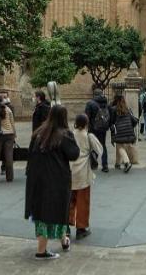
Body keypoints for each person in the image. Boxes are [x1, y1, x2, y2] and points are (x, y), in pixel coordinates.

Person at [24, 103, 80, 261]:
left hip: (37, 178)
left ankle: (63, 239)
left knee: (44, 211)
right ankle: (41, 251)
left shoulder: (39, 133)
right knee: (55, 210)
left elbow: (30, 154)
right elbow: (74, 154)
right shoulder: (64, 134)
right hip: (56, 179)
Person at [68, 112, 102, 244]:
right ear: (87, 123)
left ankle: (66, 225)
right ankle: (81, 228)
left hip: (69, 172)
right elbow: (100, 150)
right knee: (83, 202)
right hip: (83, 173)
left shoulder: (69, 134)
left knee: (69, 201)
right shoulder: (88, 136)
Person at [109, 95, 139, 173]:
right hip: (128, 130)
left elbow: (111, 122)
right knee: (120, 146)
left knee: (120, 147)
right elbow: (134, 121)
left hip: (119, 131)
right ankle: (117, 163)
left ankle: (126, 162)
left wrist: (112, 133)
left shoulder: (113, 109)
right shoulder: (127, 109)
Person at [84, 90, 111, 173]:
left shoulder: (90, 103)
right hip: (103, 127)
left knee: (92, 145)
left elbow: (86, 116)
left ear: (94, 94)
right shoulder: (106, 102)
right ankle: (105, 165)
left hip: (93, 128)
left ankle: (93, 161)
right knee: (103, 145)